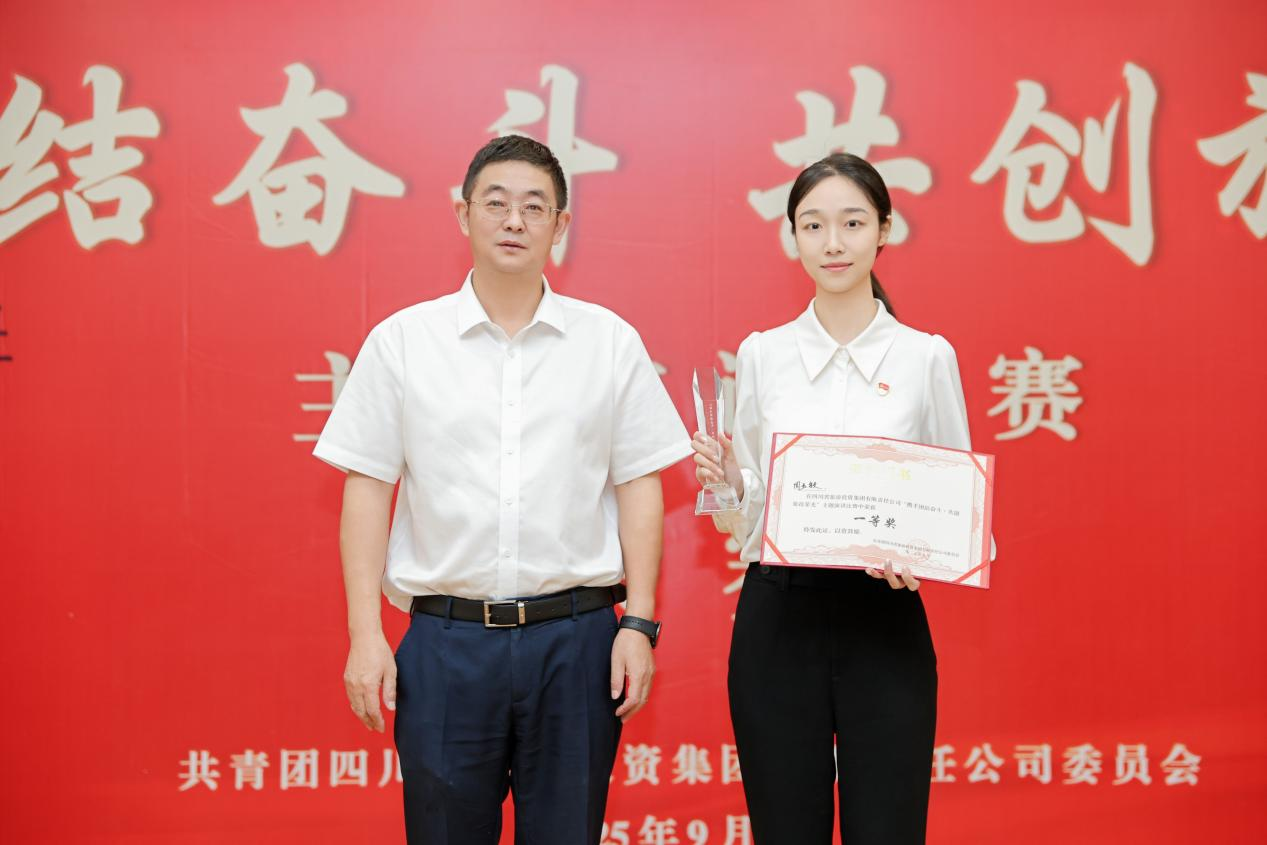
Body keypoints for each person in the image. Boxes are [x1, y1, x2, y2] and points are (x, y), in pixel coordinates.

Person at [315, 135, 691, 845]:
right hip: (446, 643)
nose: (514, 220)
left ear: (561, 224)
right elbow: (366, 490)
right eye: (495, 203)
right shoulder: (403, 342)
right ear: (463, 215)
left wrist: (638, 624)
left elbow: (640, 484)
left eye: (534, 207)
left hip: (577, 641)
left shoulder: (608, 342)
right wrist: (366, 635)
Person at [693, 153, 978, 844]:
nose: (832, 242)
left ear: (884, 230)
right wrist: (729, 481)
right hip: (778, 614)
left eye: (852, 223)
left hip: (883, 619)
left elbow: (961, 507)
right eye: (812, 224)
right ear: (792, 234)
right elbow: (750, 518)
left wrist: (920, 552)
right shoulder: (762, 354)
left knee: (888, 827)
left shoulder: (926, 357)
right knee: (785, 827)